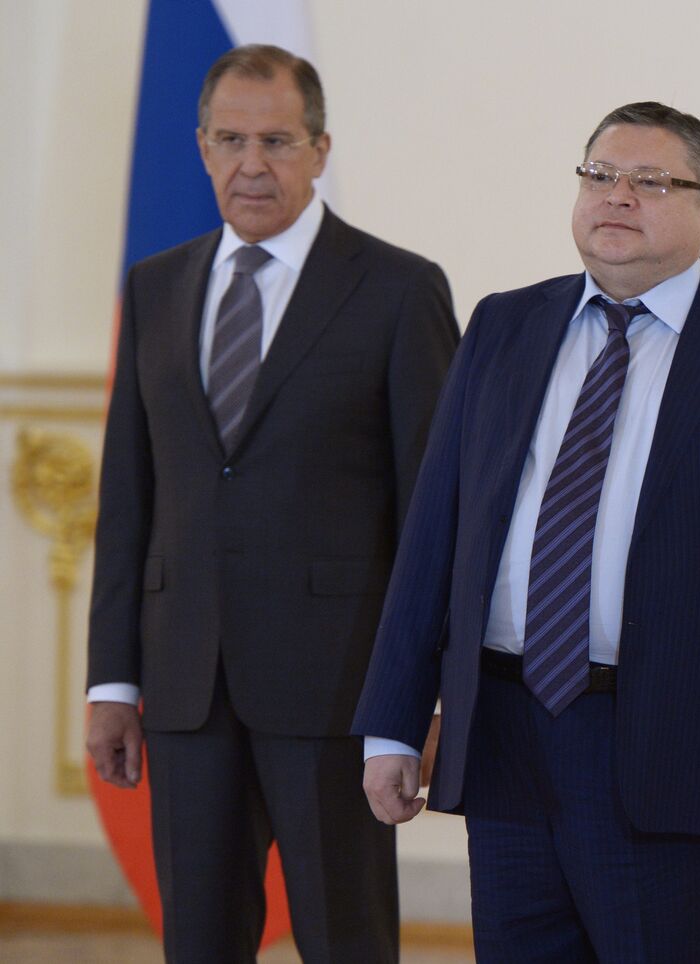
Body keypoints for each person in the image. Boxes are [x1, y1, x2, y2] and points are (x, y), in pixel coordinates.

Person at [352, 101, 700, 961]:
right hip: (507, 735)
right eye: (599, 175)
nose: (617, 196)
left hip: (674, 747)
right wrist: (395, 724)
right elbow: (436, 536)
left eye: (652, 181)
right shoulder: (504, 324)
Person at [84, 44, 459, 963]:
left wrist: (424, 694)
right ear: (202, 148)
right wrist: (112, 681)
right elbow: (129, 498)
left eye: (278, 140)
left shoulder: (399, 289)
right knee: (200, 941)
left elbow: (434, 513)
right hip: (183, 688)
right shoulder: (156, 286)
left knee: (346, 938)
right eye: (231, 139)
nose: (253, 163)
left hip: (339, 692)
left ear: (322, 149)